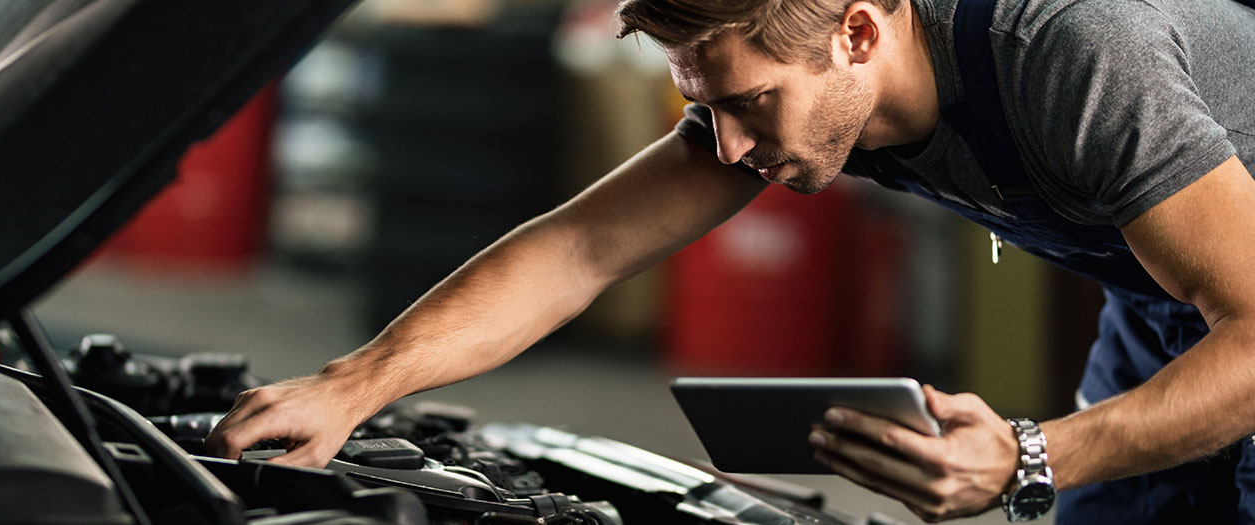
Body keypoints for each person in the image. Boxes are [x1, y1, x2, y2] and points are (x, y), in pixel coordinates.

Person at [206, 0, 1255, 522]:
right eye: (702, 108)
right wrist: (352, 386)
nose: (730, 148)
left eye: (748, 105)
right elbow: (578, 250)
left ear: (853, 31)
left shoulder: (1067, 55)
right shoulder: (771, 91)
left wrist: (1030, 456)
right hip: (1175, 293)